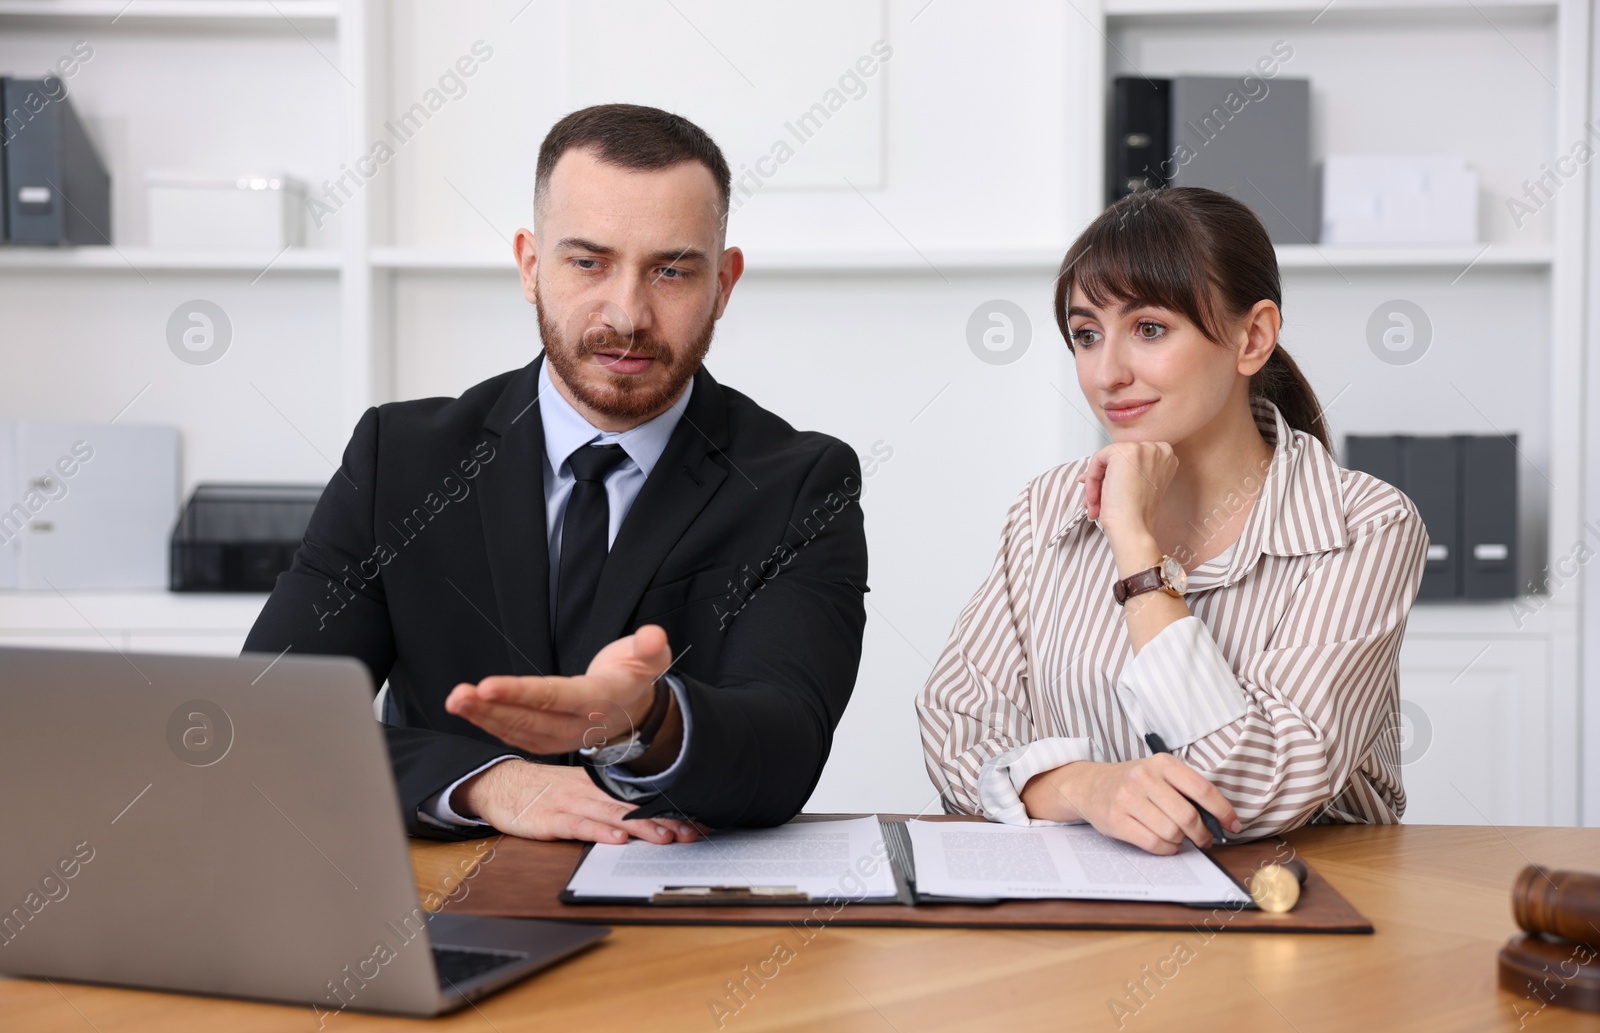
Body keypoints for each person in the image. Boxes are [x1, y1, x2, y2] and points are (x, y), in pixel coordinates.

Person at [244, 104, 868, 845]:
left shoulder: (802, 484)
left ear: (724, 284)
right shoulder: (399, 460)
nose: (628, 313)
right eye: (588, 262)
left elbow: (786, 746)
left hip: (673, 923)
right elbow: (267, 718)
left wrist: (649, 719)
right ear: (531, 267)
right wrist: (485, 782)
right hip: (439, 905)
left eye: (671, 270)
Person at [917, 187, 1428, 855]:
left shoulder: (1365, 525)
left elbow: (1257, 785)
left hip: (1299, 912)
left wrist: (1135, 550)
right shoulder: (1047, 509)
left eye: (1149, 329)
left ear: (1253, 337)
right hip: (1088, 912)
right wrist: (1083, 789)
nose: (1107, 373)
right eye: (1086, 334)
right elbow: (956, 724)